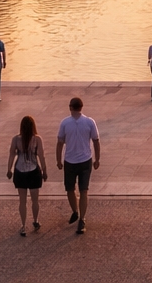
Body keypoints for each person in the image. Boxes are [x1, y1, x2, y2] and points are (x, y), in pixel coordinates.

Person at [56, 97, 100, 235]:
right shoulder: (89, 122)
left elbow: (60, 143)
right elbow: (96, 141)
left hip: (69, 161)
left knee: (70, 189)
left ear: (70, 107)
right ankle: (82, 218)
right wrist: (97, 159)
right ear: (82, 107)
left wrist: (58, 160)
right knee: (84, 190)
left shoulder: (65, 123)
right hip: (85, 160)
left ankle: (75, 211)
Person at [9, 116, 48, 236]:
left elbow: (11, 155)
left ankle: (23, 225)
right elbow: (41, 156)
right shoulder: (37, 139)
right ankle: (35, 220)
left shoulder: (16, 139)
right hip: (33, 170)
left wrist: (9, 169)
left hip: (19, 171)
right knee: (35, 200)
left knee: (22, 201)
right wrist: (44, 171)